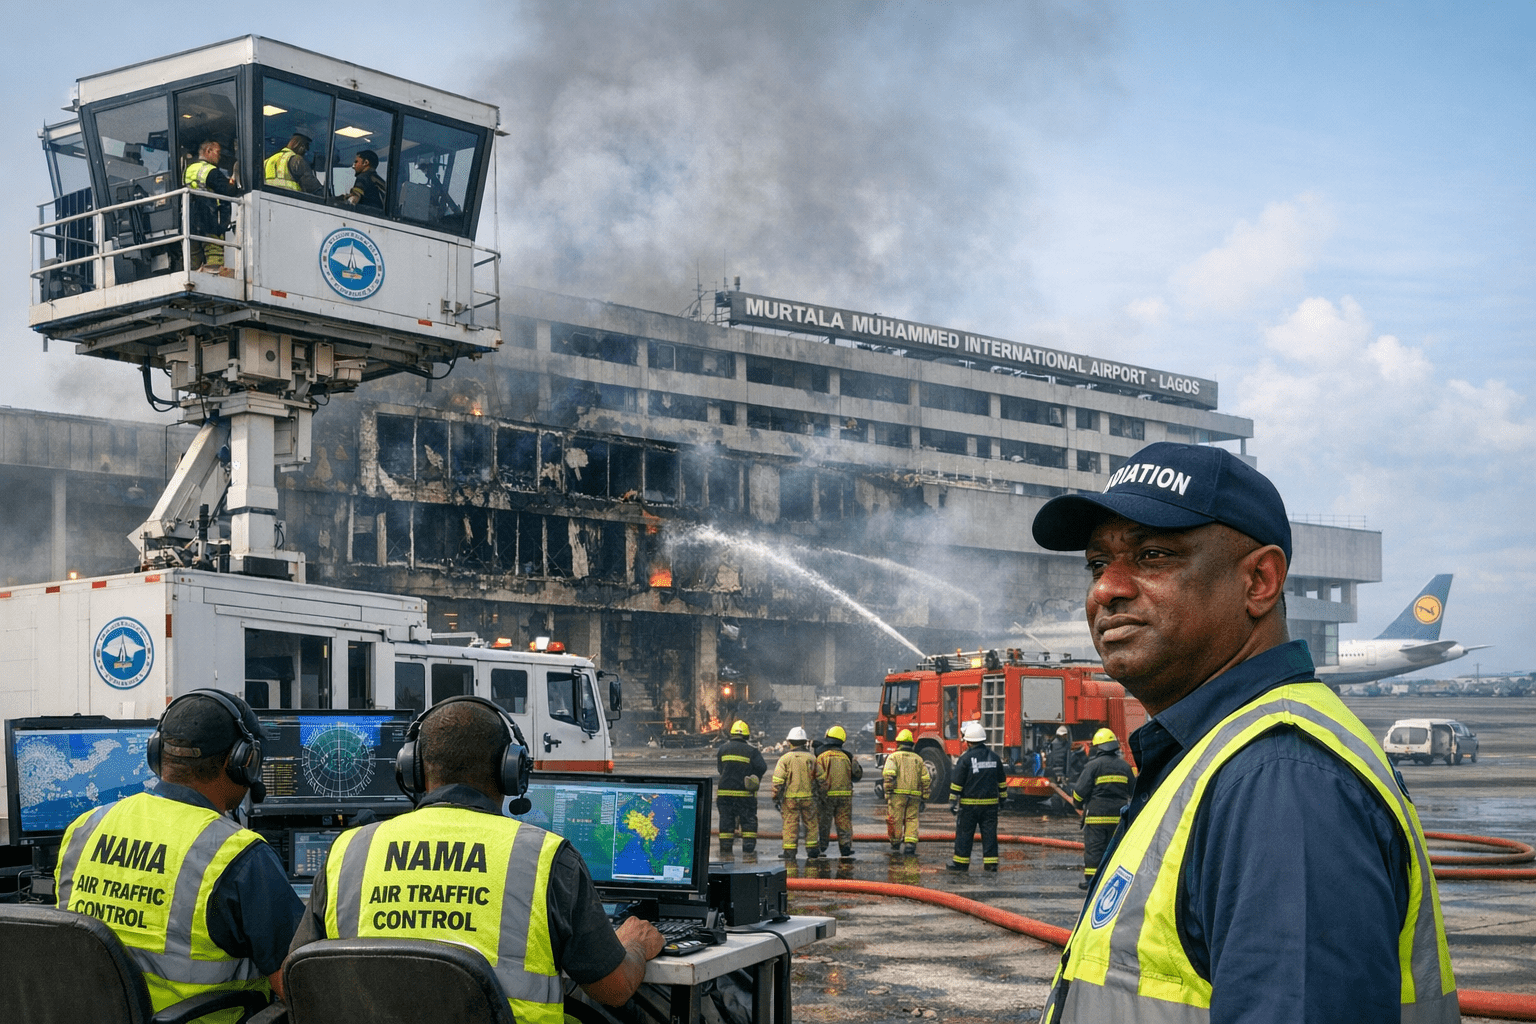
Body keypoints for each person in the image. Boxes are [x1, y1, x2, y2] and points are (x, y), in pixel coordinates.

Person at [1031, 441, 1457, 1023]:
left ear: (1259, 581)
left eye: (1153, 555)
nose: (1106, 588)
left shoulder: (1280, 781)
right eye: (1097, 563)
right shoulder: (1220, 754)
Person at [290, 697, 664, 1019]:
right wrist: (634, 944)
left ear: (412, 771)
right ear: (512, 771)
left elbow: (298, 979)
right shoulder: (546, 859)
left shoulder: (348, 852)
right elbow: (613, 990)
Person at [54, 690, 303, 1021]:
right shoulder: (240, 856)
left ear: (158, 754)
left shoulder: (85, 828)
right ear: (244, 762)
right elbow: (301, 985)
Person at [1069, 727, 1132, 890]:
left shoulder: (1093, 766)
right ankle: (1112, 881)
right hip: (1119, 817)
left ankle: (1091, 882)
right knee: (1115, 850)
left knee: (1094, 850)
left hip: (1096, 817)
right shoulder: (1125, 767)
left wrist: (1077, 804)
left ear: (1099, 748)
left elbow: (1080, 792)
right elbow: (1135, 790)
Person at [946, 721, 1007, 872]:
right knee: (990, 835)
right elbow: (1002, 781)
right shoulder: (994, 757)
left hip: (969, 806)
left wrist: (952, 801)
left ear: (968, 741)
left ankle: (960, 864)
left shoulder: (965, 759)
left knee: (964, 835)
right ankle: (991, 864)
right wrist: (1003, 800)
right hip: (991, 806)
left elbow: (957, 782)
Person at [184, 140, 240, 272]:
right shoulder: (210, 171)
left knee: (194, 259)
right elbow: (228, 190)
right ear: (208, 151)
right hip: (210, 219)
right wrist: (232, 183)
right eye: (218, 153)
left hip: (190, 220)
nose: (219, 157)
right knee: (215, 254)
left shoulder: (189, 169)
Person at [771, 726, 824, 860]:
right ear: (805, 742)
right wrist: (822, 796)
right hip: (809, 798)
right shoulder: (812, 759)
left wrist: (776, 797)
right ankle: (812, 850)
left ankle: (789, 852)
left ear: (790, 742)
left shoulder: (785, 759)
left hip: (790, 799)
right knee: (811, 824)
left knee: (790, 825)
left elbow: (778, 781)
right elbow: (822, 779)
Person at [716, 719, 767, 857]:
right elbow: (762, 767)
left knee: (726, 821)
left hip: (725, 794)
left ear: (731, 734)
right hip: (745, 794)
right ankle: (748, 849)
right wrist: (753, 777)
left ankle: (726, 849)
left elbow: (720, 769)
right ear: (746, 736)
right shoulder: (752, 751)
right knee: (748, 820)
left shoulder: (723, 749)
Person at [813, 724, 863, 859]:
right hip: (845, 796)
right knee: (844, 821)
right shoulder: (847, 757)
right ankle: (846, 846)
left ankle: (822, 847)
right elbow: (857, 775)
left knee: (824, 822)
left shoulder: (821, 757)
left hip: (826, 795)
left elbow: (816, 776)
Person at [881, 729, 930, 856]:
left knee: (895, 819)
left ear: (898, 743)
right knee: (912, 819)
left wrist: (887, 793)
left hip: (897, 794)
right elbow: (925, 779)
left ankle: (896, 842)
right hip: (914, 795)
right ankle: (910, 844)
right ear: (912, 744)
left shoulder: (893, 757)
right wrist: (925, 796)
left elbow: (889, 776)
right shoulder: (918, 759)